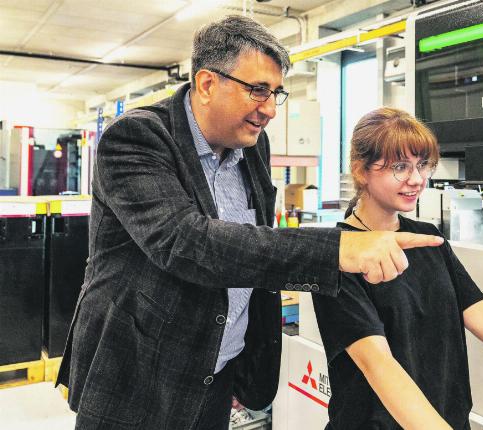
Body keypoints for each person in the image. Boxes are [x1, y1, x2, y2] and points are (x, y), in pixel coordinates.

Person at [57, 16, 443, 430]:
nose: (270, 110)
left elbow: (254, 241)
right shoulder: (137, 138)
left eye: (277, 93)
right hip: (140, 376)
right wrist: (336, 249)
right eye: (258, 90)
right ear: (207, 84)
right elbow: (185, 242)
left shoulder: (253, 147)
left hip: (217, 373)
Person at [312, 107, 483, 430]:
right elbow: (378, 365)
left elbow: (478, 311)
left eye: (422, 165)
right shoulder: (341, 255)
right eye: (400, 167)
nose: (416, 180)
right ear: (362, 171)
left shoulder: (427, 237)